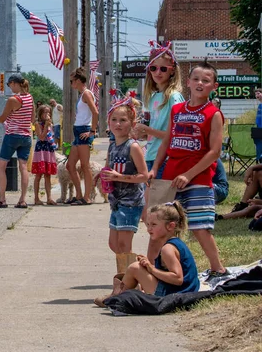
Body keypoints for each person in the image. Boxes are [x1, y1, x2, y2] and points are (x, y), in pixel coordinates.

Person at [149, 60, 228, 279]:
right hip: (170, 177)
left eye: (206, 80)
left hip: (199, 179)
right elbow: (167, 141)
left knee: (199, 227)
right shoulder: (177, 109)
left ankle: (218, 268)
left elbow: (214, 152)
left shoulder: (214, 114)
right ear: (188, 83)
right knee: (162, 226)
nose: (200, 83)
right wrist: (155, 167)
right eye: (196, 79)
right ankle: (160, 270)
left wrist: (189, 175)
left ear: (215, 86)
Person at [94, 97, 148, 307]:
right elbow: (108, 168)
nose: (118, 124)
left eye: (123, 120)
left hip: (131, 201)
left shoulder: (132, 147)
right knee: (114, 244)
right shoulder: (112, 146)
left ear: (132, 124)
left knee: (124, 245)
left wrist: (119, 177)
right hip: (116, 201)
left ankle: (124, 288)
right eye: (114, 119)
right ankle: (133, 279)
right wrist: (103, 177)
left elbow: (144, 176)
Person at [94, 201, 199, 306]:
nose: (149, 229)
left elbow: (178, 278)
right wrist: (148, 266)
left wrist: (152, 269)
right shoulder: (174, 243)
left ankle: (116, 297)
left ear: (170, 226)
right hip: (181, 291)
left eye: (154, 225)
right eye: (148, 224)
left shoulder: (168, 249)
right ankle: (119, 294)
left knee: (134, 268)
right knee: (139, 266)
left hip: (173, 295)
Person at [133, 41, 184, 223]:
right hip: (151, 154)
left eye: (163, 69)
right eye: (153, 68)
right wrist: (142, 133)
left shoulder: (174, 97)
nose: (158, 73)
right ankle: (160, 249)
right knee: (150, 213)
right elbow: (155, 132)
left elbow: (176, 134)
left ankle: (165, 249)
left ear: (172, 70)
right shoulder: (154, 96)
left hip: (165, 157)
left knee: (155, 212)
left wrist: (148, 130)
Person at [0, 74, 34, 209]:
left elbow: (1, 119)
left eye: (9, 85)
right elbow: (32, 119)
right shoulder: (30, 97)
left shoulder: (13, 99)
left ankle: (2, 199)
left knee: (1, 167)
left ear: (13, 83)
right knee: (23, 167)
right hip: (26, 136)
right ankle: (23, 200)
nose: (9, 87)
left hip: (12, 135)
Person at [65, 67, 99, 206]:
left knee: (85, 165)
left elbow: (95, 112)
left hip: (84, 130)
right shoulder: (82, 95)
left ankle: (87, 197)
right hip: (78, 131)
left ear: (78, 81)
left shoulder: (86, 94)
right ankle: (78, 194)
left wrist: (92, 131)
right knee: (70, 165)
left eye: (72, 81)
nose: (71, 83)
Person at [32, 105, 58, 206]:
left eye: (48, 113)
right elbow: (42, 137)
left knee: (48, 175)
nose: (47, 115)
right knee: (38, 175)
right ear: (40, 114)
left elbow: (51, 137)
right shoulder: (38, 124)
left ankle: (49, 198)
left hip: (48, 150)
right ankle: (36, 198)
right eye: (45, 112)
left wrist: (48, 125)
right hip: (41, 151)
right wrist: (46, 126)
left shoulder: (50, 125)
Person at [255, 88, 262, 161]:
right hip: (259, 129)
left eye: (259, 93)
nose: (257, 95)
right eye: (256, 94)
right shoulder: (259, 105)